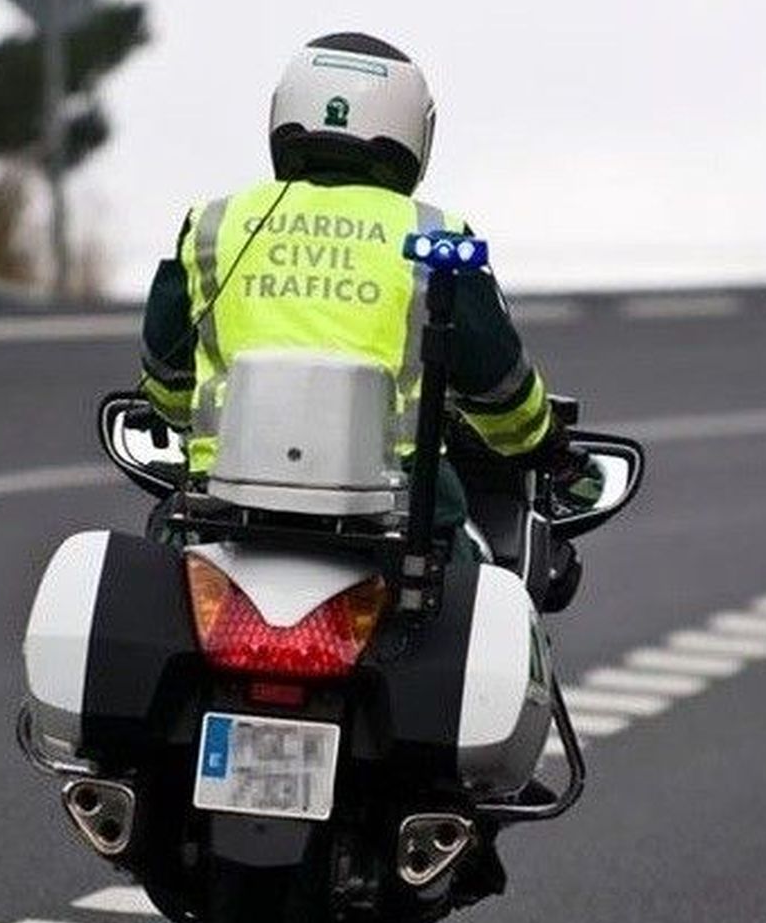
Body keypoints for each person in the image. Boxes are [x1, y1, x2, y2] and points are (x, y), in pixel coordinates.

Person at [136, 32, 601, 586]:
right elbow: (500, 385)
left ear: (284, 112)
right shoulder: (436, 235)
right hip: (399, 515)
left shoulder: (214, 224)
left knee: (156, 574)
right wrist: (543, 444)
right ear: (414, 131)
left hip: (219, 508)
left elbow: (166, 372)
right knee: (488, 595)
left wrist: (175, 417)